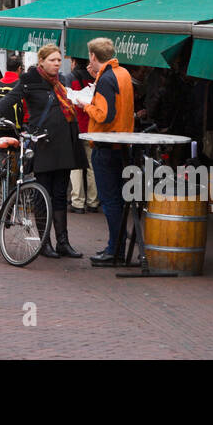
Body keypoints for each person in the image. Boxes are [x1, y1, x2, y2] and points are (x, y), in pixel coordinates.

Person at [0, 45, 87, 258]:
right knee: (43, 194)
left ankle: (63, 242)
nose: (57, 63)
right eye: (52, 60)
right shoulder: (30, 79)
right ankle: (44, 243)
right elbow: (10, 99)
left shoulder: (62, 81)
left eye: (59, 60)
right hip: (42, 142)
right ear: (41, 61)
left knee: (60, 193)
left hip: (64, 143)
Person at [82, 37, 136, 266]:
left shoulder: (106, 78)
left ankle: (115, 250)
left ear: (93, 56)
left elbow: (104, 115)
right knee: (119, 201)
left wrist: (85, 104)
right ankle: (117, 248)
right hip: (123, 144)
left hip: (106, 145)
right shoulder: (122, 73)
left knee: (110, 201)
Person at [68, 58, 100, 214]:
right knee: (92, 165)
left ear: (73, 62)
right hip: (93, 126)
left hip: (76, 126)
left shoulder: (70, 77)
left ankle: (78, 202)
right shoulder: (96, 77)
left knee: (76, 166)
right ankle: (93, 201)